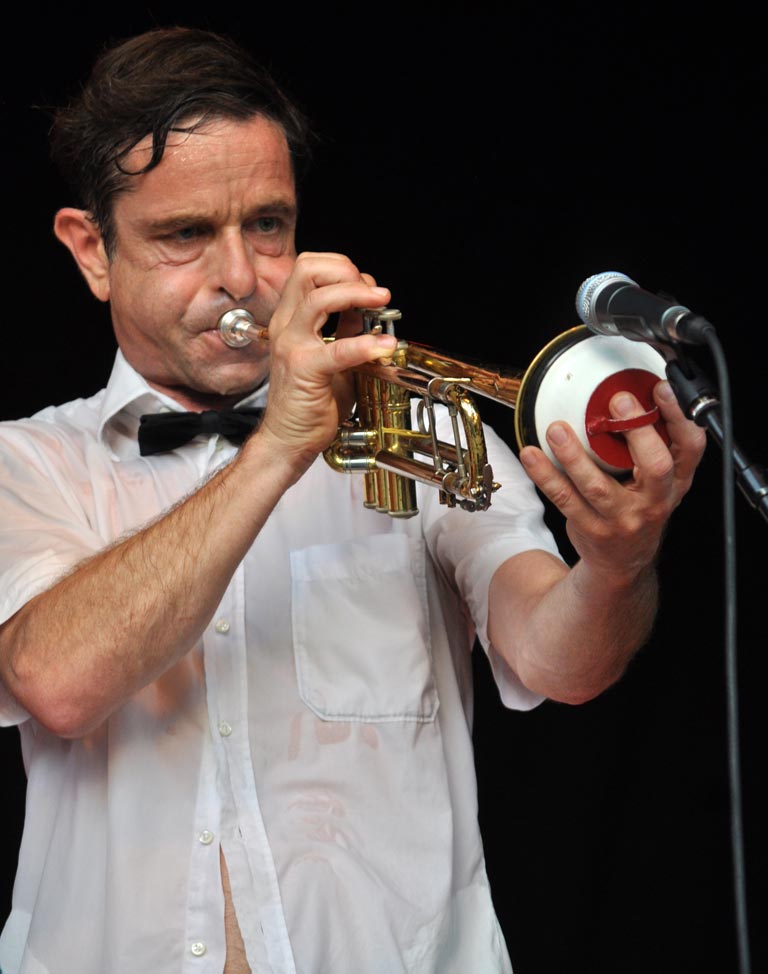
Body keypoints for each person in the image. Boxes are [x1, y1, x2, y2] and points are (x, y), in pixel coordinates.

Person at [0, 26, 705, 974]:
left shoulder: (422, 432)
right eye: (185, 235)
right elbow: (56, 681)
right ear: (92, 250)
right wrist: (280, 447)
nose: (241, 276)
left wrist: (618, 563)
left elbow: (561, 662)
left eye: (267, 225)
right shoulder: (24, 462)